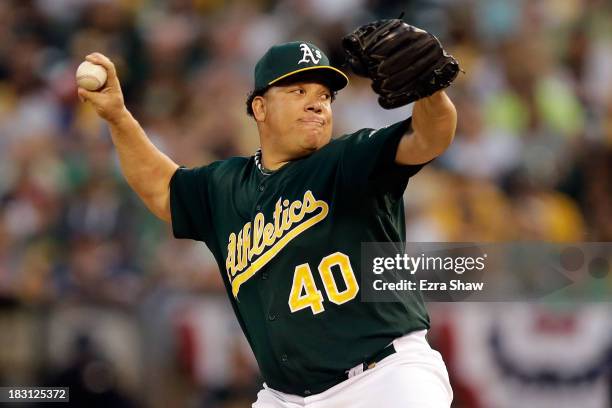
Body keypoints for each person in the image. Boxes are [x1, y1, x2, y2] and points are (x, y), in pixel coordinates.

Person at [78, 40, 457, 407]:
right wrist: (117, 116)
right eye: (298, 90)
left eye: (325, 96)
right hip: (285, 396)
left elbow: (428, 136)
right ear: (259, 107)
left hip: (385, 379)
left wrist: (430, 89)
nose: (317, 103)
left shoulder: (350, 160)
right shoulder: (224, 186)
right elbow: (162, 189)